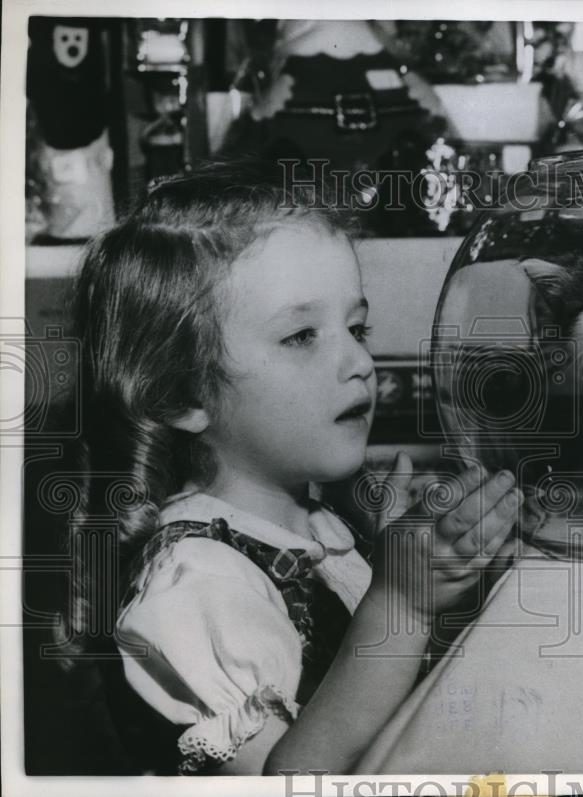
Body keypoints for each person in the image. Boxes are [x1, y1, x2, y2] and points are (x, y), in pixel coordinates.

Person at [63, 158, 522, 775]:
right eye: (302, 336)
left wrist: (435, 571)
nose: (360, 361)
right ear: (181, 394)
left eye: (358, 326)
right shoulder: (198, 585)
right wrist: (402, 603)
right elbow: (291, 783)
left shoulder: (311, 527)